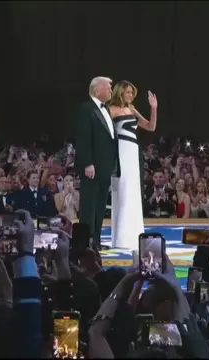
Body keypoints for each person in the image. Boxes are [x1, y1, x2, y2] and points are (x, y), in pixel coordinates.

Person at [107, 80, 158, 249]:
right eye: (127, 92)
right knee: (123, 190)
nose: (130, 95)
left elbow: (150, 127)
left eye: (131, 92)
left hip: (132, 153)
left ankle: (132, 235)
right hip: (120, 152)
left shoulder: (132, 109)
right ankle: (121, 239)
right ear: (119, 93)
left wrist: (153, 107)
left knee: (133, 192)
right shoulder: (111, 110)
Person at [76, 77, 120, 250]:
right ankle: (85, 243)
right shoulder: (86, 109)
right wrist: (87, 163)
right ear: (97, 90)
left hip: (105, 167)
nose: (111, 89)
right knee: (89, 205)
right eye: (108, 87)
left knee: (100, 205)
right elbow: (84, 137)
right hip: (92, 167)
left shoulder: (106, 109)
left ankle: (96, 241)